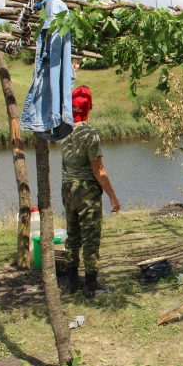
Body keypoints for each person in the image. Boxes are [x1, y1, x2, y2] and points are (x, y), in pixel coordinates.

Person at [62, 83, 120, 297]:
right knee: (90, 237)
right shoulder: (89, 133)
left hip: (68, 189)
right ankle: (91, 285)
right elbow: (98, 169)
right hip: (86, 190)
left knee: (72, 235)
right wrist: (113, 196)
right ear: (90, 107)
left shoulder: (64, 131)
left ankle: (72, 283)